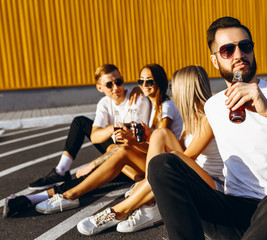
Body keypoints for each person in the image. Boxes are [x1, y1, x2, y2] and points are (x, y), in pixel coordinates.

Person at [147, 16, 267, 240]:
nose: (239, 55)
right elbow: (188, 155)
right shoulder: (213, 106)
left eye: (245, 46)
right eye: (227, 50)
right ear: (214, 61)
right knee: (162, 164)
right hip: (235, 214)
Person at [3, 63, 183, 219]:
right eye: (140, 82)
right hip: (142, 157)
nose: (144, 85)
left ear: (159, 82)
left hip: (157, 162)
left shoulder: (152, 103)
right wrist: (116, 136)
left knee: (103, 166)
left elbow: (158, 145)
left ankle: (62, 196)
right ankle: (39, 194)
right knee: (100, 159)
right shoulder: (149, 105)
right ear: (100, 88)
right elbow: (99, 136)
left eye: (149, 81)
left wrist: (97, 160)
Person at [75, 65, 225, 236]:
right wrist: (142, 141)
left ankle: (118, 211)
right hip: (194, 176)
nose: (171, 90)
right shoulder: (189, 118)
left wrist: (145, 182)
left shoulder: (208, 118)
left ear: (185, 88)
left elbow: (185, 157)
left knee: (171, 158)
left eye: (173, 86)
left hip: (213, 186)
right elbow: (179, 154)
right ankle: (151, 204)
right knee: (160, 134)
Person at [27, 64, 150, 190]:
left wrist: (92, 164)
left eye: (118, 82)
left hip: (133, 154)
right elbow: (95, 137)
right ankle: (61, 171)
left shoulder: (137, 100)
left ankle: (56, 194)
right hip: (115, 148)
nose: (116, 87)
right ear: (100, 88)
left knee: (91, 175)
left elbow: (131, 145)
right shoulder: (104, 103)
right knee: (79, 122)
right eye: (109, 85)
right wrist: (112, 129)